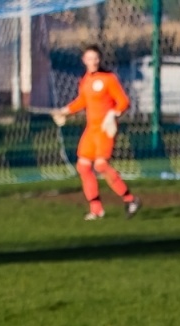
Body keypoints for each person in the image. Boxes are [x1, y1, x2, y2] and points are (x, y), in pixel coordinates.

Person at [52, 47, 140, 221]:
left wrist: (113, 114)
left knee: (100, 166)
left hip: (105, 129)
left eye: (96, 58)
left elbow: (123, 102)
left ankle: (130, 200)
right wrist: (66, 111)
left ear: (99, 60)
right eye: (89, 58)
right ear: (84, 60)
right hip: (91, 130)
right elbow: (82, 101)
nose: (93, 61)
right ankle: (96, 209)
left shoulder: (109, 79)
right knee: (83, 166)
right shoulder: (85, 80)